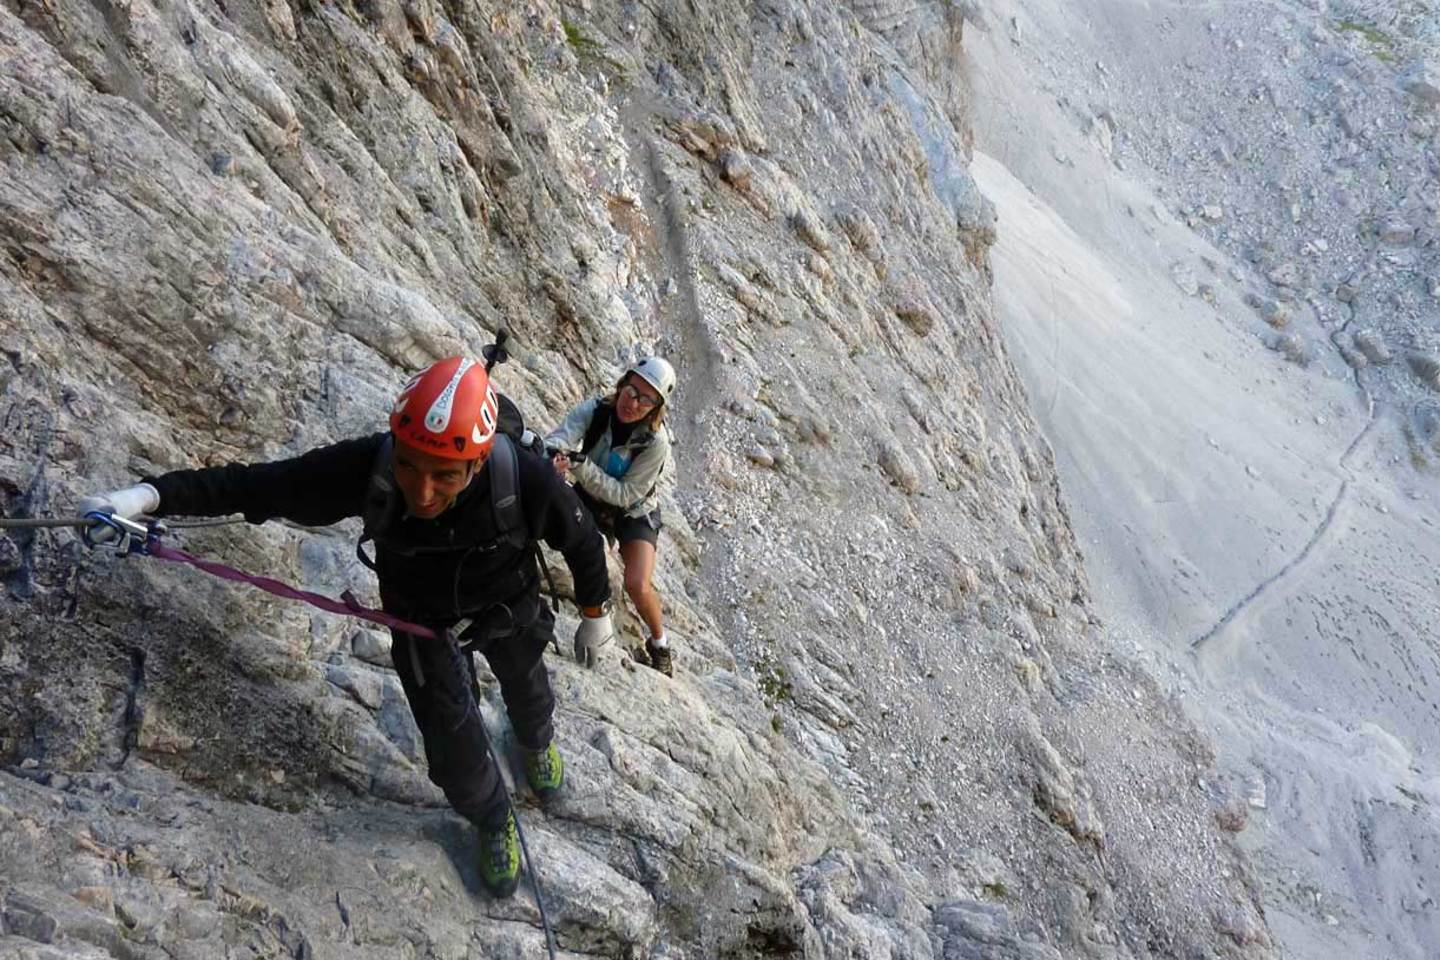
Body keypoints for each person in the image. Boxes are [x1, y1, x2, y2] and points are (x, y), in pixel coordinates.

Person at [77, 357, 615, 900]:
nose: (422, 491)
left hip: (509, 609)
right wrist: (149, 497)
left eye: (444, 475)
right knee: (453, 749)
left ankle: (535, 740)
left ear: (476, 464)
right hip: (421, 624)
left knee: (527, 685)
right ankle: (492, 818)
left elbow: (582, 540)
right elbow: (258, 486)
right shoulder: (370, 469)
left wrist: (596, 614)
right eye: (410, 465)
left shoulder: (521, 476)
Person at [546, 357, 675, 676]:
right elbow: (560, 437)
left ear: (656, 407)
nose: (634, 403)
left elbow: (625, 495)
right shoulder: (595, 410)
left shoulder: (655, 443)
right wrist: (555, 456)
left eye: (647, 399)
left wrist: (579, 465)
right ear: (622, 385)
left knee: (637, 584)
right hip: (590, 497)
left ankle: (660, 645)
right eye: (632, 391)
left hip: (633, 513)